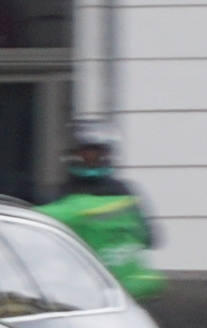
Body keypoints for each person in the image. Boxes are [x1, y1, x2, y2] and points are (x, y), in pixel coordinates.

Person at [39, 121, 164, 300]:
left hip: (85, 289)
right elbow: (151, 238)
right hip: (114, 289)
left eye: (95, 154)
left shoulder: (59, 195)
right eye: (86, 154)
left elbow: (152, 237)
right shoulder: (125, 192)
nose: (91, 158)